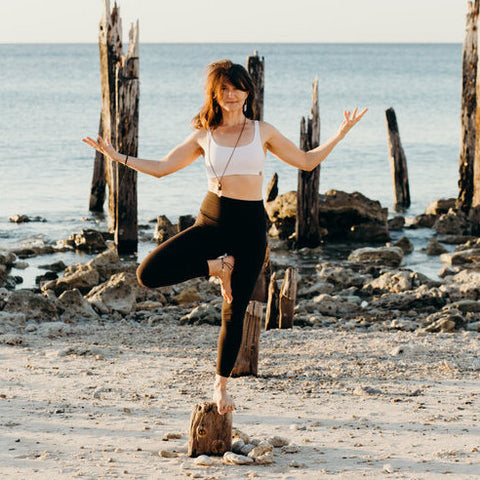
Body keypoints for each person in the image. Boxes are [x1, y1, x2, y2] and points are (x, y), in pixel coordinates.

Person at [82, 59, 367, 415]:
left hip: (250, 230)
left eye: (238, 88)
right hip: (211, 220)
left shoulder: (264, 131)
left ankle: (220, 387)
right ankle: (218, 267)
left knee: (235, 312)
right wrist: (117, 156)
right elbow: (162, 168)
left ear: (248, 92)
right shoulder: (205, 134)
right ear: (215, 94)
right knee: (148, 273)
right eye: (224, 89)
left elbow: (306, 162)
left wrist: (340, 133)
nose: (231, 95)